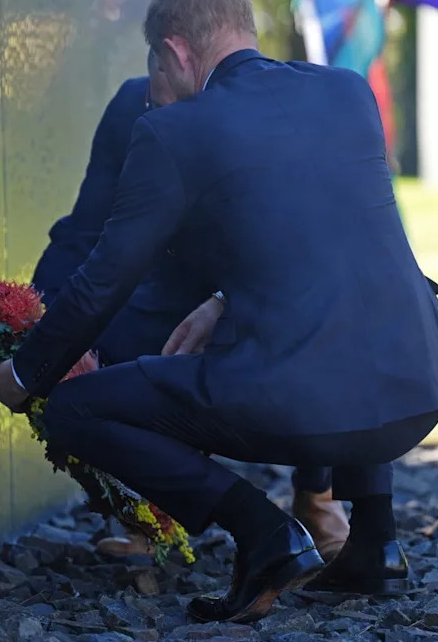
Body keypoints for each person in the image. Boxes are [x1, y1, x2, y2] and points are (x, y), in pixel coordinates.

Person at [0, 0, 438, 623]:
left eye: (155, 67)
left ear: (176, 53)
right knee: (356, 327)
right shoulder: (346, 93)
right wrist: (222, 300)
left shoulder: (174, 131)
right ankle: (375, 545)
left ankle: (264, 532)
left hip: (309, 403)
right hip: (421, 382)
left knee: (73, 409)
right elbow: (327, 244)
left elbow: (105, 278)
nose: (152, 90)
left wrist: (25, 370)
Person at [31, 50, 350, 560]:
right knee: (98, 340)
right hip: (163, 293)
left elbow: (313, 246)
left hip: (258, 292)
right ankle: (149, 509)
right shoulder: (129, 109)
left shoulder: (278, 111)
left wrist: (227, 299)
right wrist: (35, 323)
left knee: (333, 323)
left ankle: (317, 495)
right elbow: (85, 229)